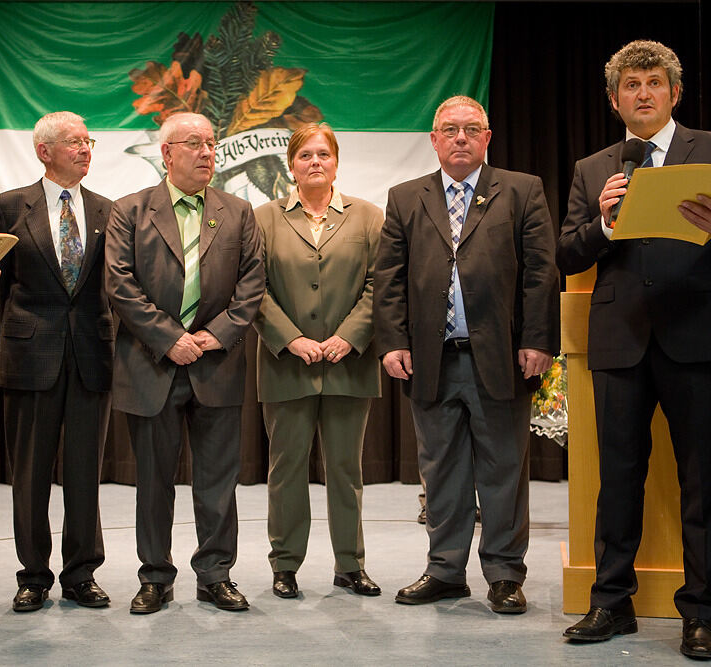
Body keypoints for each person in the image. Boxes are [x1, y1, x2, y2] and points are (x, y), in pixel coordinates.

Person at [558, 40, 711, 660]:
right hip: (620, 339)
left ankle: (701, 613)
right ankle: (610, 603)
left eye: (653, 83)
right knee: (617, 479)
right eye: (630, 85)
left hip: (697, 336)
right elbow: (569, 254)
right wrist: (601, 225)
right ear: (614, 97)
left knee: (702, 480)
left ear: (674, 93)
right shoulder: (593, 167)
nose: (642, 93)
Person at [374, 95, 559, 614]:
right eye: (449, 129)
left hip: (502, 358)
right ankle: (445, 571)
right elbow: (388, 279)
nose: (460, 137)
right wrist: (392, 341)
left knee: (502, 468)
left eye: (470, 129)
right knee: (441, 470)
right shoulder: (406, 196)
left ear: (487, 138)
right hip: (432, 360)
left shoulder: (522, 191)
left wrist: (539, 340)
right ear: (433, 140)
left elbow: (542, 272)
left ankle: (504, 573)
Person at [105, 112, 264, 614]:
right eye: (193, 144)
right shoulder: (129, 211)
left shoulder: (238, 212)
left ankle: (215, 575)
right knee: (153, 482)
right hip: (151, 364)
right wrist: (170, 338)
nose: (206, 153)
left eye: (212, 144)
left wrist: (213, 338)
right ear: (166, 153)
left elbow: (252, 285)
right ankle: (155, 576)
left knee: (218, 482)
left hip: (216, 365)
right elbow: (119, 283)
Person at [0, 112, 113, 613]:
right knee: (30, 473)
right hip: (29, 354)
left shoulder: (107, 210)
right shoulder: (8, 206)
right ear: (44, 151)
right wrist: (25, 328)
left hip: (91, 354)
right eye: (74, 142)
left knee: (85, 471)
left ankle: (82, 574)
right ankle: (33, 575)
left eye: (88, 141)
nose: (85, 150)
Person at [253, 123, 383, 599]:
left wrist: (350, 337)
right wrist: (291, 340)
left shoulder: (369, 217)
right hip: (288, 366)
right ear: (291, 164)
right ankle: (284, 565)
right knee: (285, 469)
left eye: (323, 154)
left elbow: (380, 286)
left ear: (335, 161)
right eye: (305, 155)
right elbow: (253, 291)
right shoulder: (263, 218)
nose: (314, 162)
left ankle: (350, 565)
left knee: (346, 470)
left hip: (349, 366)